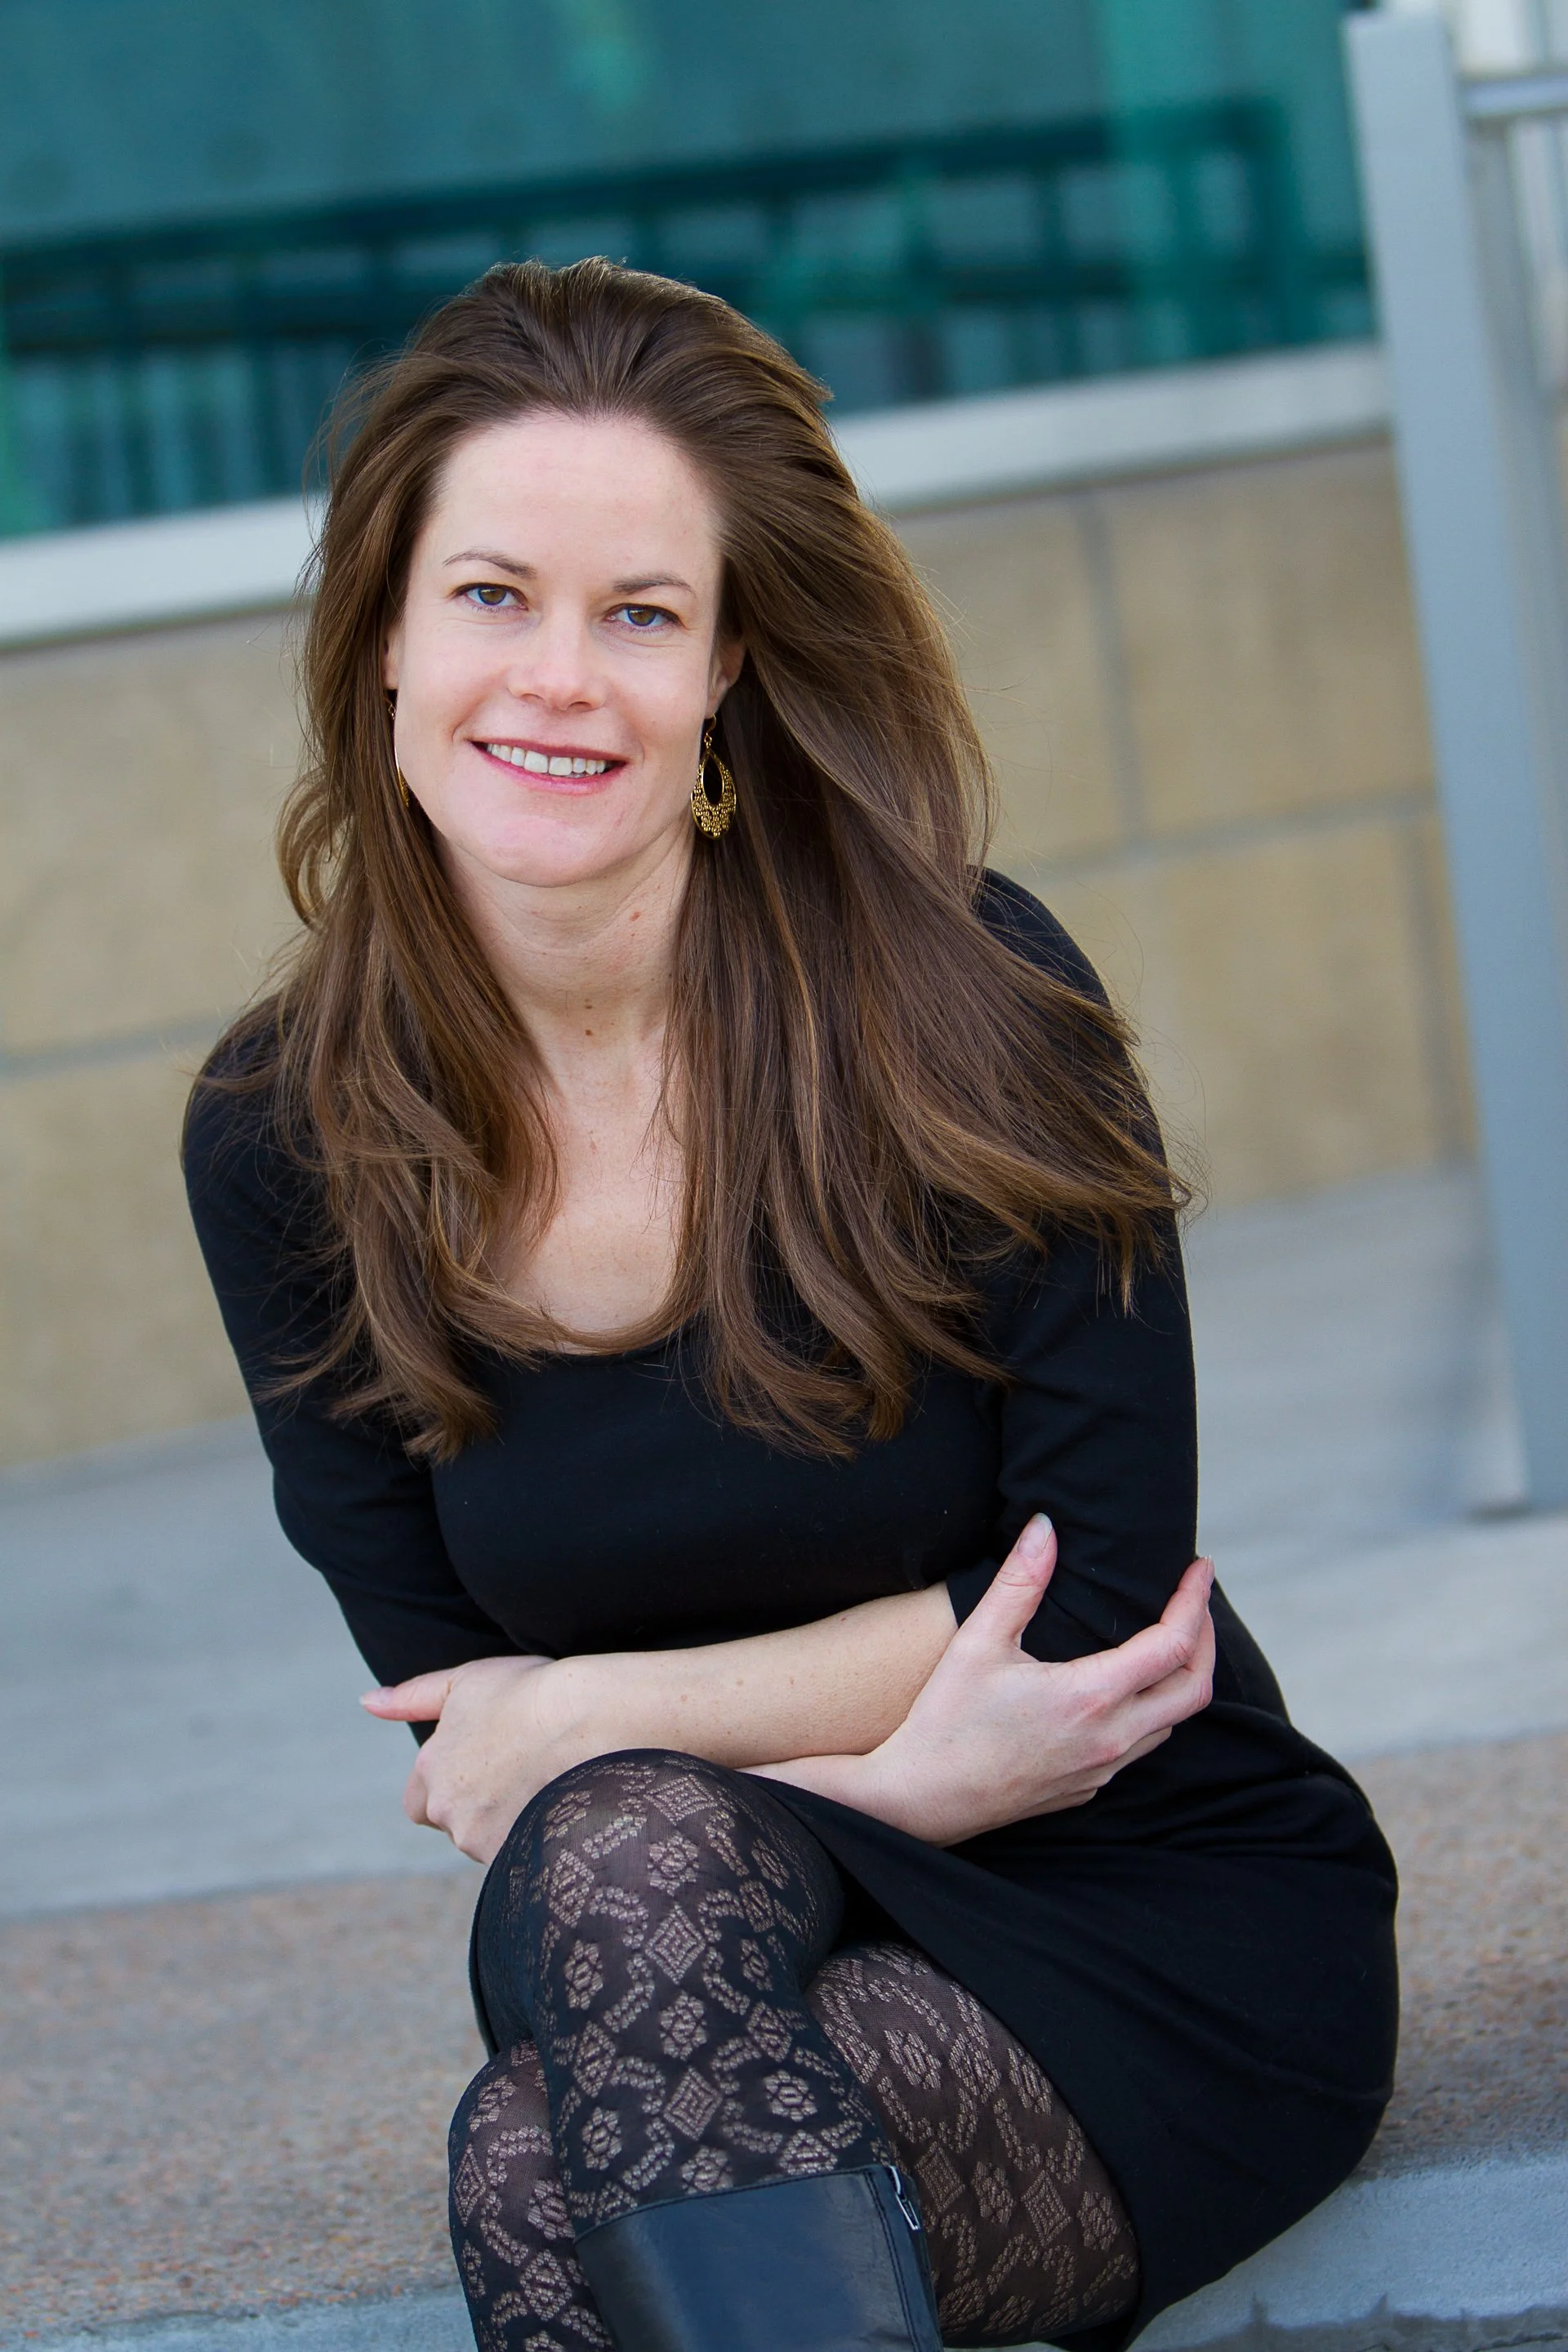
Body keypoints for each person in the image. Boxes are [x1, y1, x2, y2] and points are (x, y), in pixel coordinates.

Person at [184, 259, 1398, 2352]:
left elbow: (1095, 1607)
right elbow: (480, 1738)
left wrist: (599, 1716)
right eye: (492, 596)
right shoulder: (284, 1141)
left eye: (640, 614)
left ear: (732, 666)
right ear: (384, 637)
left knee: (540, 2126)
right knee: (621, 1882)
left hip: (1140, 1891)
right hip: (681, 1913)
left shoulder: (965, 1001)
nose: (559, 677)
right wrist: (883, 1777)